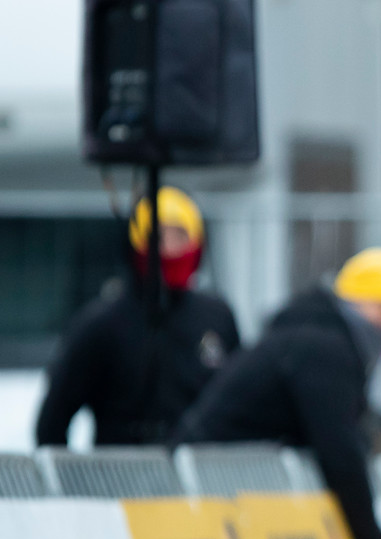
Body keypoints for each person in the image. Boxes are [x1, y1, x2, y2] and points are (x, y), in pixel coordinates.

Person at [170, 247, 381, 539]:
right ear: (351, 302)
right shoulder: (327, 350)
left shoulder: (311, 336)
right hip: (196, 495)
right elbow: (341, 456)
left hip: (211, 487)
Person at [35, 186, 240, 446]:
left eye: (179, 236)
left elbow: (238, 404)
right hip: (121, 478)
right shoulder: (102, 324)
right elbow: (53, 419)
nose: (169, 249)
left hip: (201, 479)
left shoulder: (216, 317)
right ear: (136, 243)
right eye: (157, 238)